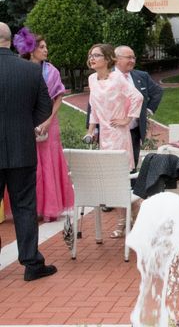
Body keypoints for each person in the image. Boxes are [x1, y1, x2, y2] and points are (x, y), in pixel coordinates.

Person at [0, 22, 57, 281]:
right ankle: (31, 263)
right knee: (24, 206)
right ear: (10, 41)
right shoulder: (30, 71)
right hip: (22, 148)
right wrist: (24, 124)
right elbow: (44, 110)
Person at [11, 28, 75, 220]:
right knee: (30, 165)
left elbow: (59, 98)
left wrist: (48, 121)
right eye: (42, 47)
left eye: (46, 46)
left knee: (48, 163)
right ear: (31, 50)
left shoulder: (52, 71)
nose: (46, 50)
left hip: (49, 123)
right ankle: (32, 208)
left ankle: (50, 209)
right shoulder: (19, 69)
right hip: (25, 123)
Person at [85, 43, 143, 238]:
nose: (92, 58)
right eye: (91, 55)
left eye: (97, 55)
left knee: (121, 180)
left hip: (119, 135)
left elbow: (137, 97)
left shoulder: (117, 78)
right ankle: (129, 217)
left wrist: (128, 119)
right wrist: (91, 130)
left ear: (108, 59)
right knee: (113, 182)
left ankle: (133, 216)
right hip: (104, 138)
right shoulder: (92, 79)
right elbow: (93, 107)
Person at [113, 45, 164, 168]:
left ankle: (131, 187)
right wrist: (93, 128)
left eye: (133, 58)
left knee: (132, 164)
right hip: (113, 131)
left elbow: (157, 91)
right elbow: (94, 102)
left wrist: (146, 111)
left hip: (134, 131)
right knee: (114, 165)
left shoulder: (141, 76)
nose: (132, 61)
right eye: (128, 57)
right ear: (116, 59)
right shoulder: (107, 76)